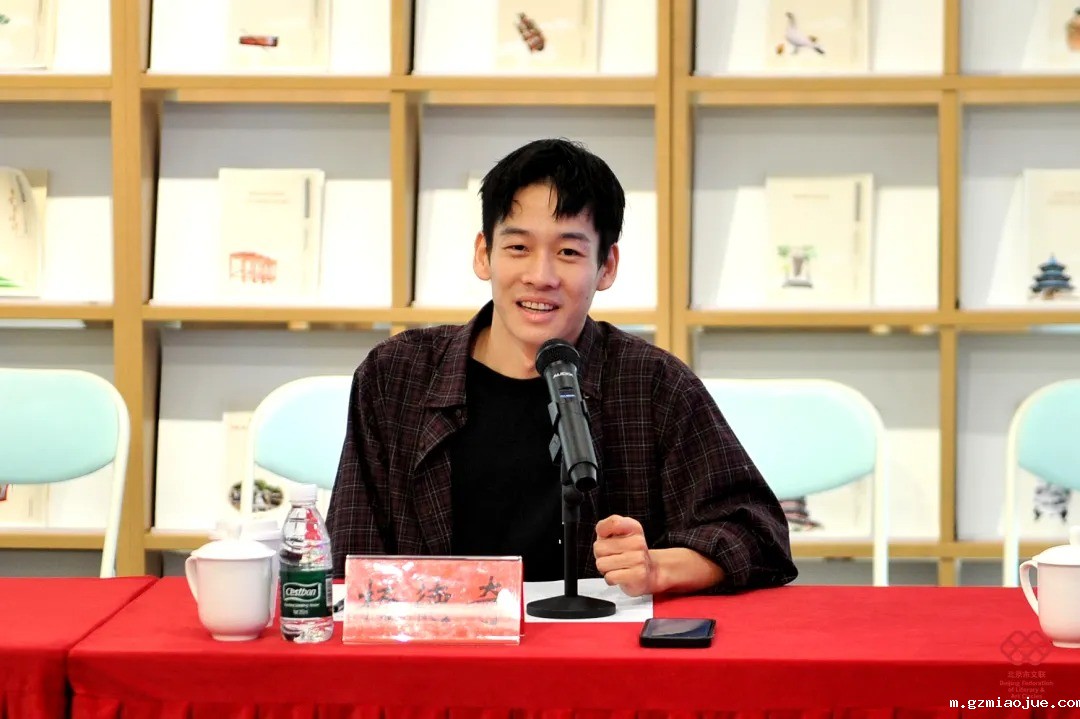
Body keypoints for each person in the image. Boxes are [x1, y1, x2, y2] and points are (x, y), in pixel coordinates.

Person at [326, 138, 797, 596]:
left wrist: (660, 567)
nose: (541, 276)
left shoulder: (651, 383)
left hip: (600, 645)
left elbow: (759, 536)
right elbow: (350, 558)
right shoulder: (396, 376)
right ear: (483, 254)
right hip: (440, 644)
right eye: (518, 248)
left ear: (607, 266)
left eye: (569, 252)